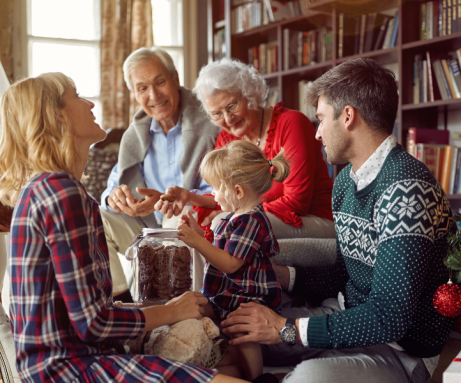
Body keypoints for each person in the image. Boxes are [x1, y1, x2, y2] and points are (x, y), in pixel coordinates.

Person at [0, 72, 248, 383]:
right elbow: (93, 323)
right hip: (69, 369)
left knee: (232, 366)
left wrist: (158, 308)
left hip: (60, 363)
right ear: (56, 116)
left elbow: (82, 311)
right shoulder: (61, 191)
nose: (90, 103)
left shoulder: (45, 187)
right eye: (76, 96)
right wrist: (173, 310)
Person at [219, 58, 455, 383]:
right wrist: (282, 275)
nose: (316, 134)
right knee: (240, 337)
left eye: (320, 119)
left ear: (347, 117)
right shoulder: (345, 181)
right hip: (345, 314)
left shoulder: (405, 189)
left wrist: (285, 329)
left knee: (307, 377)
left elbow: (390, 318)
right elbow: (347, 274)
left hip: (401, 349)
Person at [155, 58, 334, 240]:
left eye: (231, 106)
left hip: (310, 219)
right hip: (260, 216)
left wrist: (230, 216)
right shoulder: (226, 139)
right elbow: (224, 196)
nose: (228, 118)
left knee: (224, 224)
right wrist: (188, 197)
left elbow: (296, 203)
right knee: (181, 219)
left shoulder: (291, 124)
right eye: (217, 113)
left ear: (249, 94)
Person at [100, 47, 220, 300]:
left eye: (160, 82)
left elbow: (223, 188)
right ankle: (123, 303)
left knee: (179, 218)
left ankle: (185, 308)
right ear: (135, 94)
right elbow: (114, 185)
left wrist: (179, 199)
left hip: (191, 220)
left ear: (175, 79)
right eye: (142, 88)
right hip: (146, 227)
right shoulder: (136, 134)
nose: (153, 95)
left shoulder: (210, 122)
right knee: (95, 218)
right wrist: (116, 197)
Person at [177, 140, 288, 380]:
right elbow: (219, 248)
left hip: (246, 297)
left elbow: (230, 263)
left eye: (215, 188)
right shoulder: (233, 217)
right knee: (195, 308)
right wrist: (198, 233)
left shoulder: (252, 220)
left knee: (243, 334)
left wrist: (198, 243)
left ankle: (257, 377)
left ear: (238, 191)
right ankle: (226, 363)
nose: (213, 195)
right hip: (227, 293)